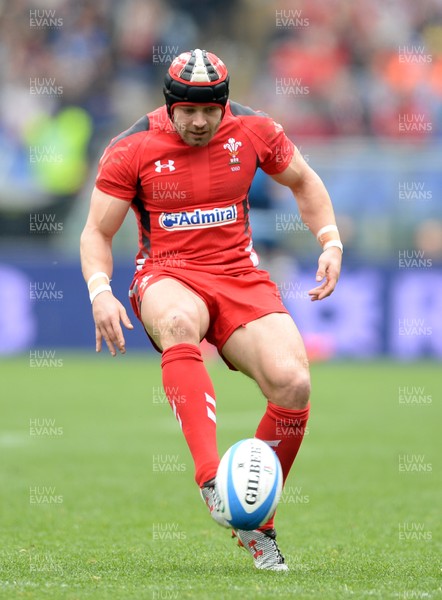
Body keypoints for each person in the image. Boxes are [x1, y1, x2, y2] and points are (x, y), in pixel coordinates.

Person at [80, 49, 343, 571]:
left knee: (294, 383)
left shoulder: (254, 130)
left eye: (210, 110)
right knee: (178, 324)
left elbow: (304, 181)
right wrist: (99, 290)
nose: (200, 122)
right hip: (168, 273)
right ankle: (211, 482)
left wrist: (330, 241)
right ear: (169, 105)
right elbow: (97, 231)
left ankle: (256, 524)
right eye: (188, 111)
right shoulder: (130, 147)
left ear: (224, 104)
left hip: (239, 276)